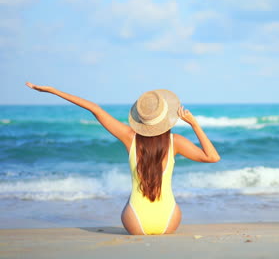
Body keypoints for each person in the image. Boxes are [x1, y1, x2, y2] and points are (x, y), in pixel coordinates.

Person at [26, 82, 220, 235]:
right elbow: (213, 157)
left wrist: (53, 91)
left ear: (141, 118)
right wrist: (194, 124)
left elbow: (95, 109)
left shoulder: (129, 137)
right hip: (168, 221)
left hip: (135, 221)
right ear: (166, 117)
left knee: (132, 196)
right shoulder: (175, 141)